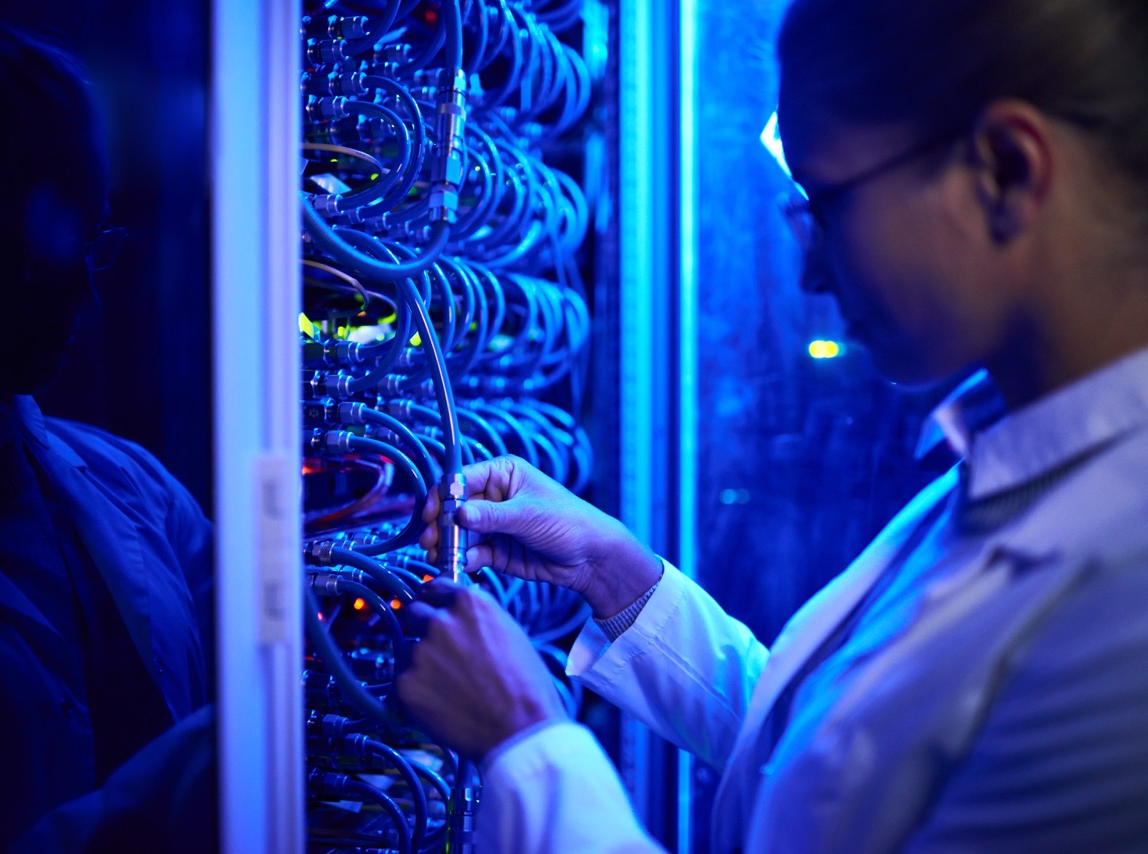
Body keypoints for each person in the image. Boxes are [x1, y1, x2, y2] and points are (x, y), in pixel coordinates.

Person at [397, 0, 1148, 850]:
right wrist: (620, 579)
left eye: (824, 206)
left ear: (1007, 171)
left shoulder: (1126, 618)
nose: (806, 270)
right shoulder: (1015, 455)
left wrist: (526, 745)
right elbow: (848, 774)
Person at [0, 7, 214, 851]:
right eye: (45, 259)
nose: (84, 303)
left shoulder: (132, 486)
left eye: (96, 246)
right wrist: (221, 759)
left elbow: (280, 642)